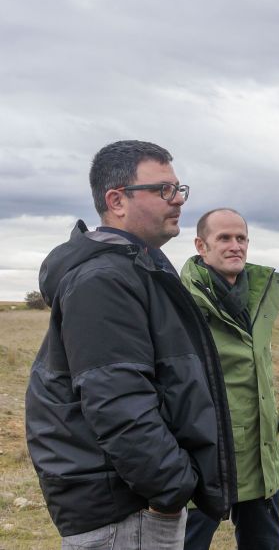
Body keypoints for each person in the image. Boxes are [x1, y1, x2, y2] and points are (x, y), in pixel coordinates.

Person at [25, 141, 237, 549]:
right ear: (116, 200)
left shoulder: (138, 267)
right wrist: (170, 489)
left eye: (179, 189)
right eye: (163, 190)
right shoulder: (104, 280)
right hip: (124, 511)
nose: (178, 200)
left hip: (134, 505)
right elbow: (117, 402)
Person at [181, 208, 279, 550]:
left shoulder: (257, 296)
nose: (235, 246)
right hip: (205, 461)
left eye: (241, 238)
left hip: (259, 457)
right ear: (201, 245)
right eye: (224, 238)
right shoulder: (180, 302)